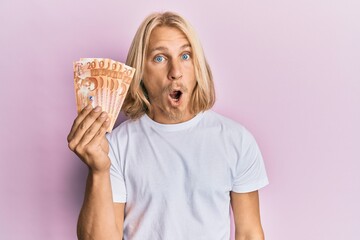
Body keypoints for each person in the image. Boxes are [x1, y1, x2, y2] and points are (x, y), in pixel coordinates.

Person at [67, 11, 269, 240]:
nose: (176, 72)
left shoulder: (237, 140)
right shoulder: (116, 146)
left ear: (197, 66)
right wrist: (98, 170)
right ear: (140, 72)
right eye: (160, 58)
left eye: (185, 56)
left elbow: (249, 232)